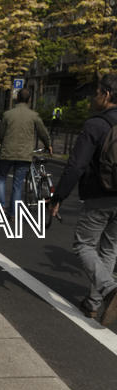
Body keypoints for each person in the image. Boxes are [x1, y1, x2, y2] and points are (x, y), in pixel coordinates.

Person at [50, 74, 117, 325]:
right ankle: (94, 303)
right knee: (109, 248)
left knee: (84, 245)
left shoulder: (96, 125)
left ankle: (110, 289)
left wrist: (58, 196)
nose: (92, 98)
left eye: (96, 93)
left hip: (99, 195)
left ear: (106, 94)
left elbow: (76, 165)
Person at [0, 88, 51, 220]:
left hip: (7, 153)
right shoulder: (34, 115)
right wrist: (48, 144)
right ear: (29, 100)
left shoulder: (7, 114)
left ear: (17, 98)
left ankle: (1, 207)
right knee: (18, 184)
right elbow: (42, 132)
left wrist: (3, 144)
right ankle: (13, 213)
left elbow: (1, 133)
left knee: (1, 178)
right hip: (24, 155)